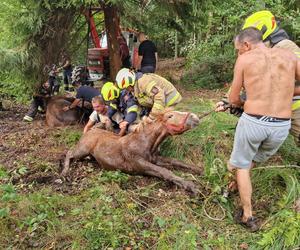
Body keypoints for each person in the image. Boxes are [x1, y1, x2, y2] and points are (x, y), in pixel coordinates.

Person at [216, 27, 300, 231]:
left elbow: (234, 98)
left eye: (238, 49)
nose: (239, 54)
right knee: (250, 158)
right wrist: (286, 91)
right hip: (281, 126)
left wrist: (244, 103)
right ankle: (234, 184)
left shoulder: (245, 60)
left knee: (242, 166)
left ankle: (248, 215)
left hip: (254, 122)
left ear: (246, 44)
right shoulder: (289, 56)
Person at [218, 10, 300, 146]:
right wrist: (226, 101)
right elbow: (243, 78)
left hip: (295, 105)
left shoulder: (287, 48)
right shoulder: (254, 51)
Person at [115, 68, 182, 118]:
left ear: (130, 83)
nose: (127, 90)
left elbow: (159, 95)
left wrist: (153, 116)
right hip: (164, 104)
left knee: (158, 124)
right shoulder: (135, 87)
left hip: (171, 102)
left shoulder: (143, 81)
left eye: (127, 88)